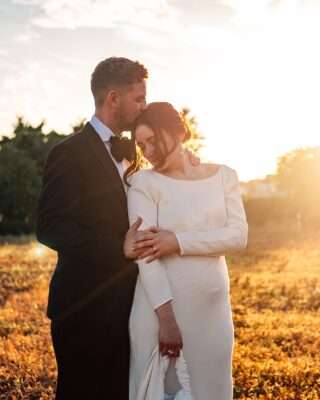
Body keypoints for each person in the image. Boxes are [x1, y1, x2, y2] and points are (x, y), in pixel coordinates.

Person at [36, 56, 149, 399]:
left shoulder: (135, 154)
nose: (143, 107)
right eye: (138, 98)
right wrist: (119, 247)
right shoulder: (69, 152)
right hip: (83, 307)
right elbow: (51, 227)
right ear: (114, 98)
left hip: (129, 305)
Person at [124, 102, 249, 400]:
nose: (148, 152)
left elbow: (238, 237)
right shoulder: (144, 182)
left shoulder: (224, 176)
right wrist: (167, 322)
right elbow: (146, 257)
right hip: (161, 315)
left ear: (178, 132)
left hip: (213, 315)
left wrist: (177, 241)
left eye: (153, 140)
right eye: (141, 145)